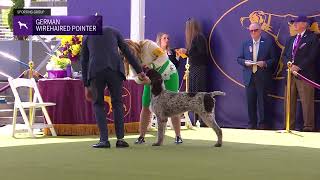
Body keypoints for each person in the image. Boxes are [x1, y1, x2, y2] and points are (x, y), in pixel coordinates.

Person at [80, 26, 148, 148]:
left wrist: (86, 84)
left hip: (96, 71)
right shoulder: (114, 31)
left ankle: (104, 140)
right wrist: (139, 71)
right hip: (115, 70)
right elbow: (127, 52)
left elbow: (84, 61)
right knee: (117, 103)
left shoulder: (87, 35)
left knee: (98, 104)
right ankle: (120, 139)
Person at [124, 39, 183, 144]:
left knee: (173, 105)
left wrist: (150, 66)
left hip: (169, 74)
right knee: (146, 105)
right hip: (151, 81)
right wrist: (142, 79)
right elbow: (135, 77)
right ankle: (141, 136)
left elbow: (163, 56)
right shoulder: (130, 60)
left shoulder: (148, 45)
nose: (129, 54)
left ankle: (178, 136)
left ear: (133, 45)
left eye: (130, 51)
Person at [282, 16, 319, 131]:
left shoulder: (313, 38)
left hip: (305, 75)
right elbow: (284, 55)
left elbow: (312, 56)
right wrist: (289, 65)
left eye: (297, 22)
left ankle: (308, 127)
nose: (295, 25)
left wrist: (299, 67)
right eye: (294, 23)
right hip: (290, 75)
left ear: (305, 24)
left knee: (307, 102)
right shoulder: (290, 39)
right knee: (289, 102)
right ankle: (288, 126)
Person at [237, 22, 276, 129]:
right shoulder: (245, 43)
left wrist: (265, 63)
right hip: (249, 76)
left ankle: (263, 124)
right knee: (250, 101)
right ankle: (251, 124)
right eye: (251, 31)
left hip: (262, 76)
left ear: (260, 30)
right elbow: (239, 58)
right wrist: (245, 62)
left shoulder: (268, 43)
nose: (253, 32)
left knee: (263, 101)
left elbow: (274, 59)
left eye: (255, 30)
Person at [178, 18, 211, 126]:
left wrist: (187, 52)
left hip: (198, 70)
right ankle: (197, 120)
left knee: (199, 95)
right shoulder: (195, 38)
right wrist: (186, 53)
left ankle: (203, 121)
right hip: (194, 69)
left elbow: (202, 55)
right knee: (194, 95)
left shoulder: (198, 37)